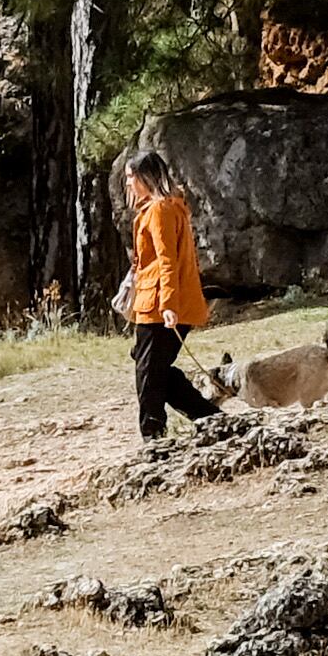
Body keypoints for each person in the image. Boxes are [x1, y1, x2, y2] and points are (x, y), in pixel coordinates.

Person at [122, 149, 221, 440]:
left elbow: (167, 260)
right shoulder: (165, 207)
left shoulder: (161, 210)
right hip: (157, 302)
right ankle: (211, 420)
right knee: (153, 368)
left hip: (160, 305)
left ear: (145, 177)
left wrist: (167, 304)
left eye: (131, 178)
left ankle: (153, 436)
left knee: (149, 374)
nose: (128, 184)